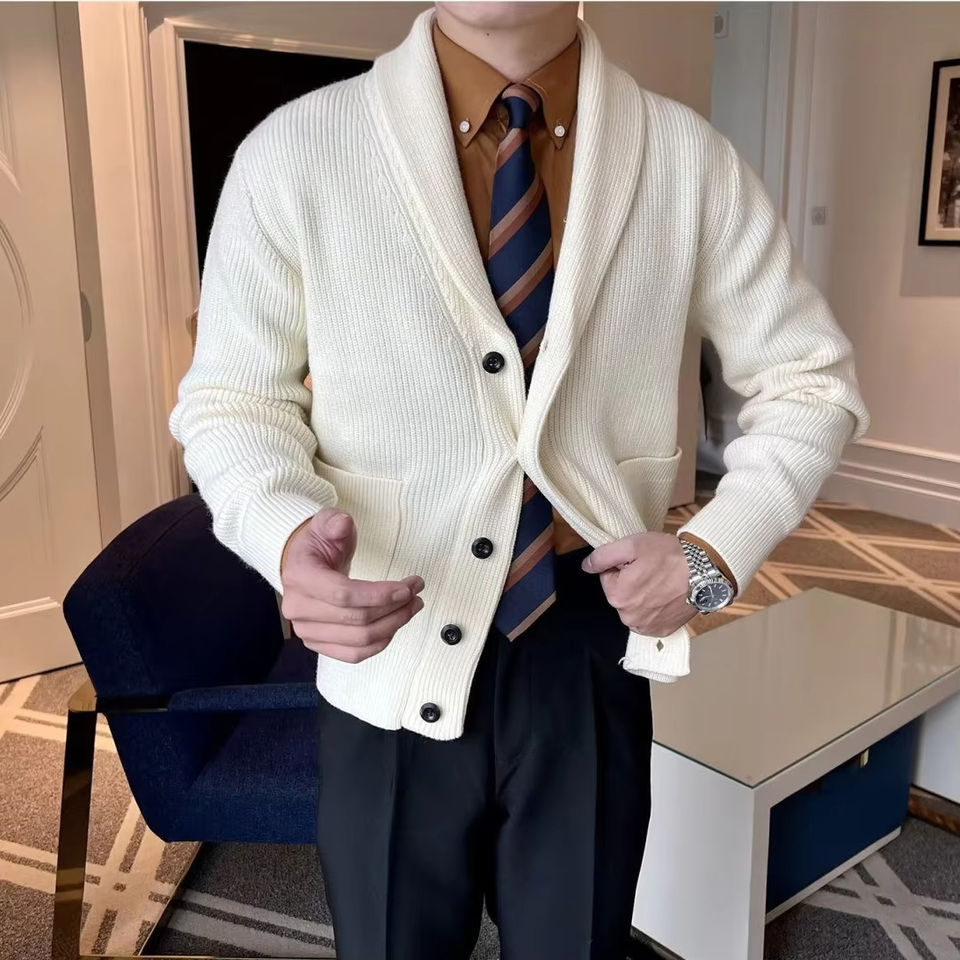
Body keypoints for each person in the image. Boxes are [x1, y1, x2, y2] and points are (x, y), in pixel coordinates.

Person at [168, 3, 871, 958]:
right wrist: (286, 536)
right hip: (390, 642)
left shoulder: (687, 160)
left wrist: (713, 555)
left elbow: (811, 382)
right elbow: (232, 404)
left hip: (589, 640)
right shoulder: (295, 152)